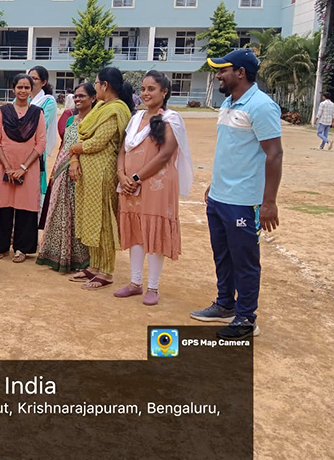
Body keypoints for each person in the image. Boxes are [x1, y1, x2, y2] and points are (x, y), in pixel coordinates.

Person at [190, 49, 283, 340]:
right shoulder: (229, 103)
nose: (218, 75)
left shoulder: (261, 106)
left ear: (240, 73)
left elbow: (275, 154)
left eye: (223, 70)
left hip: (244, 202)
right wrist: (213, 184)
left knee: (245, 259)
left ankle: (245, 318)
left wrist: (268, 202)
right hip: (220, 197)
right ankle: (225, 303)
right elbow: (232, 150)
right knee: (223, 255)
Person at [115, 70, 193, 305]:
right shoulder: (136, 118)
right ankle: (135, 282)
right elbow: (123, 150)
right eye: (143, 89)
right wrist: (122, 176)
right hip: (129, 185)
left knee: (154, 231)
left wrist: (136, 177)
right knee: (136, 230)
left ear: (164, 91)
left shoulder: (172, 118)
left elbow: (165, 155)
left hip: (156, 185)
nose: (146, 93)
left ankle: (153, 287)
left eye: (151, 89)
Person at [69, 67, 134, 289]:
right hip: (89, 172)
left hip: (104, 172)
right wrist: (75, 156)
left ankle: (106, 271)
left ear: (105, 85)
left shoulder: (116, 109)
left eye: (96, 84)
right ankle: (94, 265)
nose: (95, 87)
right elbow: (83, 133)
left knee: (104, 221)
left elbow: (98, 142)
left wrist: (75, 148)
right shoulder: (101, 107)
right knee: (90, 218)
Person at [36, 83, 95, 273]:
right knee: (59, 211)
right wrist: (55, 172)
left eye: (82, 96)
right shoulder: (70, 119)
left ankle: (80, 259)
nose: (78, 99)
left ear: (93, 98)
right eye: (76, 96)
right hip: (63, 171)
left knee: (79, 214)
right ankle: (58, 254)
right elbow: (64, 146)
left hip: (82, 172)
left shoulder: (95, 121)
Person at [0, 74, 46, 263]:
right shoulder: (4, 112)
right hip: (4, 166)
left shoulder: (37, 113)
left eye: (26, 87)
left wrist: (23, 168)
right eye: (19, 87)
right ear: (13, 89)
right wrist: (7, 167)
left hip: (27, 168)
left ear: (31, 90)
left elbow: (40, 144)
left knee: (26, 207)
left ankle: (22, 248)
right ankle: (2, 246)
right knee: (3, 207)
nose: (23, 91)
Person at [29, 66, 59, 199]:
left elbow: (42, 124)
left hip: (36, 146)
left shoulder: (48, 101)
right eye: (29, 77)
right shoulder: (22, 98)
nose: (30, 80)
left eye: (34, 78)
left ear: (44, 82)